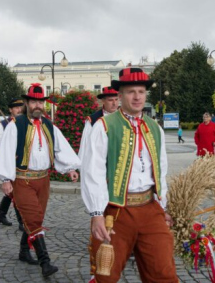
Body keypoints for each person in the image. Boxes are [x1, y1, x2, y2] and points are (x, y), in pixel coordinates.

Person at [81, 68, 178, 283]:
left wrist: (163, 207)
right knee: (106, 275)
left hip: (150, 209)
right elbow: (92, 171)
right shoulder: (104, 126)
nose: (137, 97)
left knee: (164, 274)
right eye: (131, 91)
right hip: (115, 212)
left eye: (141, 92)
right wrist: (96, 213)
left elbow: (161, 170)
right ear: (120, 95)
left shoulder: (155, 128)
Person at [0, 83, 80, 278]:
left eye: (41, 101)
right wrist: (6, 179)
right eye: (34, 102)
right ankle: (45, 262)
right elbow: (5, 152)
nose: (38, 105)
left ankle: (24, 251)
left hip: (43, 181)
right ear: (27, 103)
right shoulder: (16, 125)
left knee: (35, 220)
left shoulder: (49, 126)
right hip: (23, 180)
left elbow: (60, 149)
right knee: (32, 218)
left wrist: (70, 168)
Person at [0, 98, 25, 229]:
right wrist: (8, 148)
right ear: (11, 110)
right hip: (8, 163)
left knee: (13, 192)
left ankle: (1, 214)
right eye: (16, 107)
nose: (19, 109)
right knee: (16, 193)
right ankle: (22, 222)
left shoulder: (25, 123)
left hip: (22, 163)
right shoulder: (3, 125)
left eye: (21, 107)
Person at [78, 86, 119, 161]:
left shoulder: (124, 118)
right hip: (100, 161)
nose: (114, 103)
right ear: (103, 101)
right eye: (110, 100)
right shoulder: (93, 120)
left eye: (116, 100)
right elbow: (85, 144)